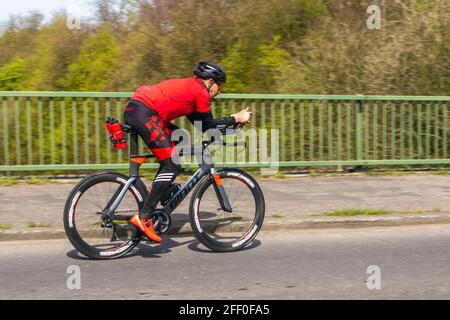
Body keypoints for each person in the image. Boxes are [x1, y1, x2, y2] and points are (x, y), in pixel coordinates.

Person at [124, 61, 253, 243]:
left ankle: (160, 188)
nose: (219, 91)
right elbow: (208, 125)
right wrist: (236, 117)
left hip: (138, 109)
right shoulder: (200, 92)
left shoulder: (191, 89)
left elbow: (204, 127)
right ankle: (144, 217)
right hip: (144, 113)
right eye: (219, 86)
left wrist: (230, 127)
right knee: (172, 165)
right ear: (209, 82)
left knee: (179, 138)